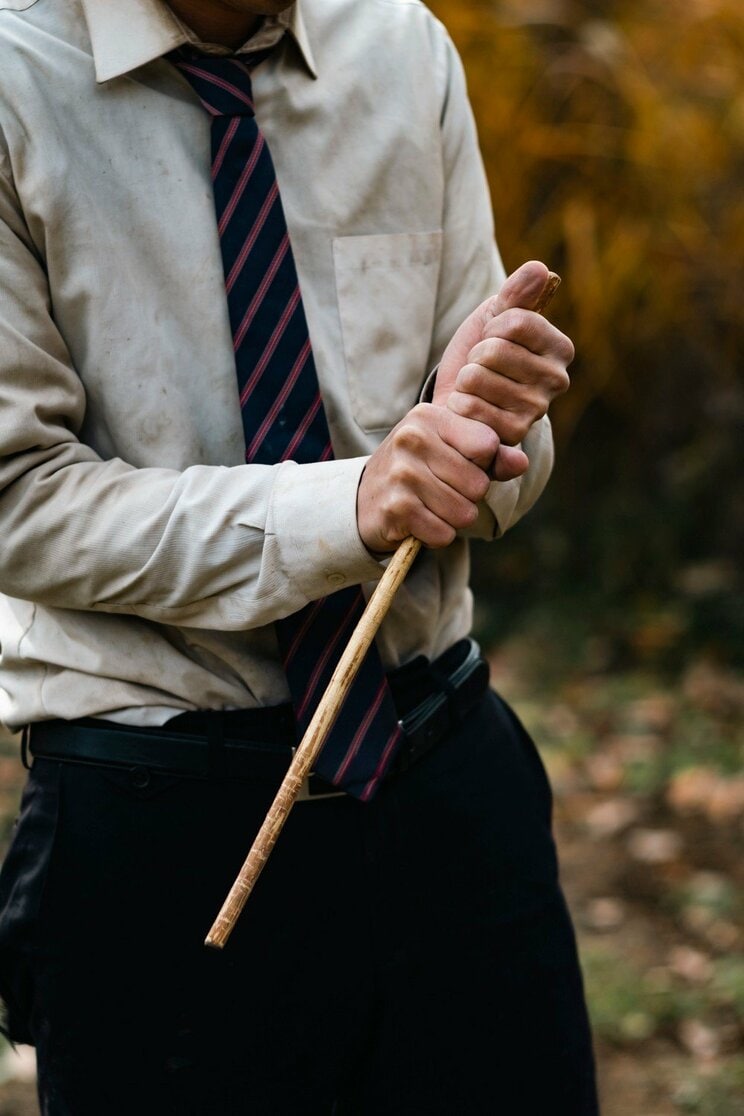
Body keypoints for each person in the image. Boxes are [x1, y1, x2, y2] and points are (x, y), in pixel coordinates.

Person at [0, 0, 599, 1111]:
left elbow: (496, 462)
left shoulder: (401, 44)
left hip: (446, 786)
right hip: (158, 838)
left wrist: (480, 429)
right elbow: (16, 501)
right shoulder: (13, 78)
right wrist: (354, 502)